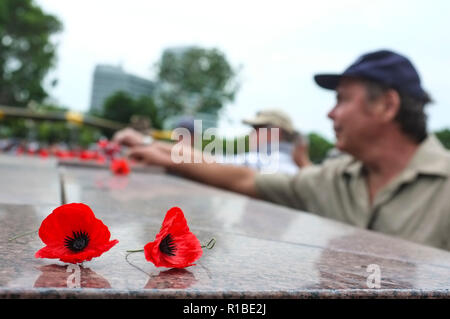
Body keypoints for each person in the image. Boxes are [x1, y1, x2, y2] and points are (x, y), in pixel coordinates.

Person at [114, 50, 450, 251]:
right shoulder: (332, 179)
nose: (330, 114)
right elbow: (244, 179)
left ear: (387, 105)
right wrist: (152, 148)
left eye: (343, 100)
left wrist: (153, 147)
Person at [226, 109, 308, 174]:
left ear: (275, 132)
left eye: (256, 128)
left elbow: (217, 165)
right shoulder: (301, 168)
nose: (251, 133)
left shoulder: (256, 161)